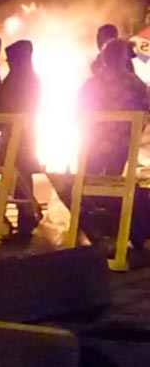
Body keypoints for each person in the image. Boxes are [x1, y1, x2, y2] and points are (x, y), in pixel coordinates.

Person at [75, 36, 150, 249]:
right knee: (114, 185)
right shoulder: (134, 84)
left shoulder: (91, 84)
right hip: (120, 146)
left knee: (89, 186)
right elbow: (145, 109)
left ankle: (98, 228)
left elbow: (78, 111)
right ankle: (125, 229)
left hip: (93, 145)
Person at [0, 38, 42, 239]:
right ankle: (29, 216)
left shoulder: (20, 79)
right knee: (21, 177)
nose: (8, 63)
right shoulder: (28, 77)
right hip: (24, 133)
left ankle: (26, 221)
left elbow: (6, 102)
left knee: (21, 176)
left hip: (19, 135)